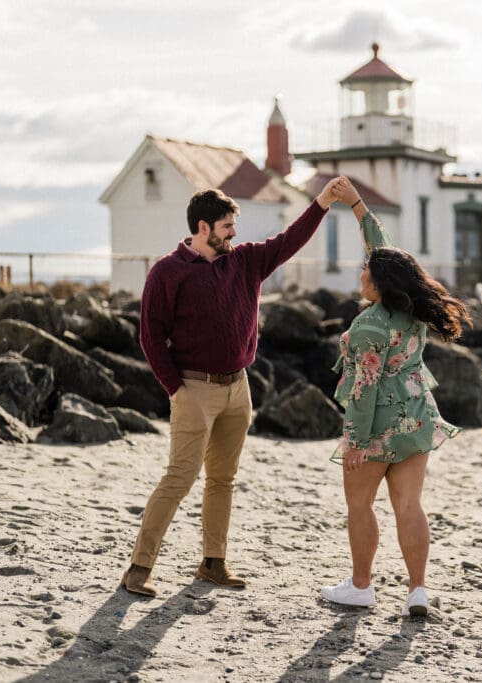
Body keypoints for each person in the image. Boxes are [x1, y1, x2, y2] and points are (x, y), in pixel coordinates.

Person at [122, 178, 344, 597]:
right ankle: (139, 567)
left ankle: (213, 562)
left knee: (222, 479)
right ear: (203, 227)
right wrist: (176, 388)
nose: (234, 233)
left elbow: (289, 239)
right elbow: (150, 336)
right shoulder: (168, 273)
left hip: (238, 388)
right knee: (179, 478)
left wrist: (322, 202)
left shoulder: (246, 262)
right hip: (194, 389)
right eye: (227, 226)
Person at [319, 177, 470, 616]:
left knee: (360, 504)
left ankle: (362, 586)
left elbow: (364, 393)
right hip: (418, 417)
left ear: (381, 281)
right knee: (409, 505)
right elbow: (384, 250)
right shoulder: (412, 309)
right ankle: (417, 590)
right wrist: (358, 206)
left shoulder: (369, 327)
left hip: (379, 429)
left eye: (366, 270)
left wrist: (356, 441)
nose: (361, 272)